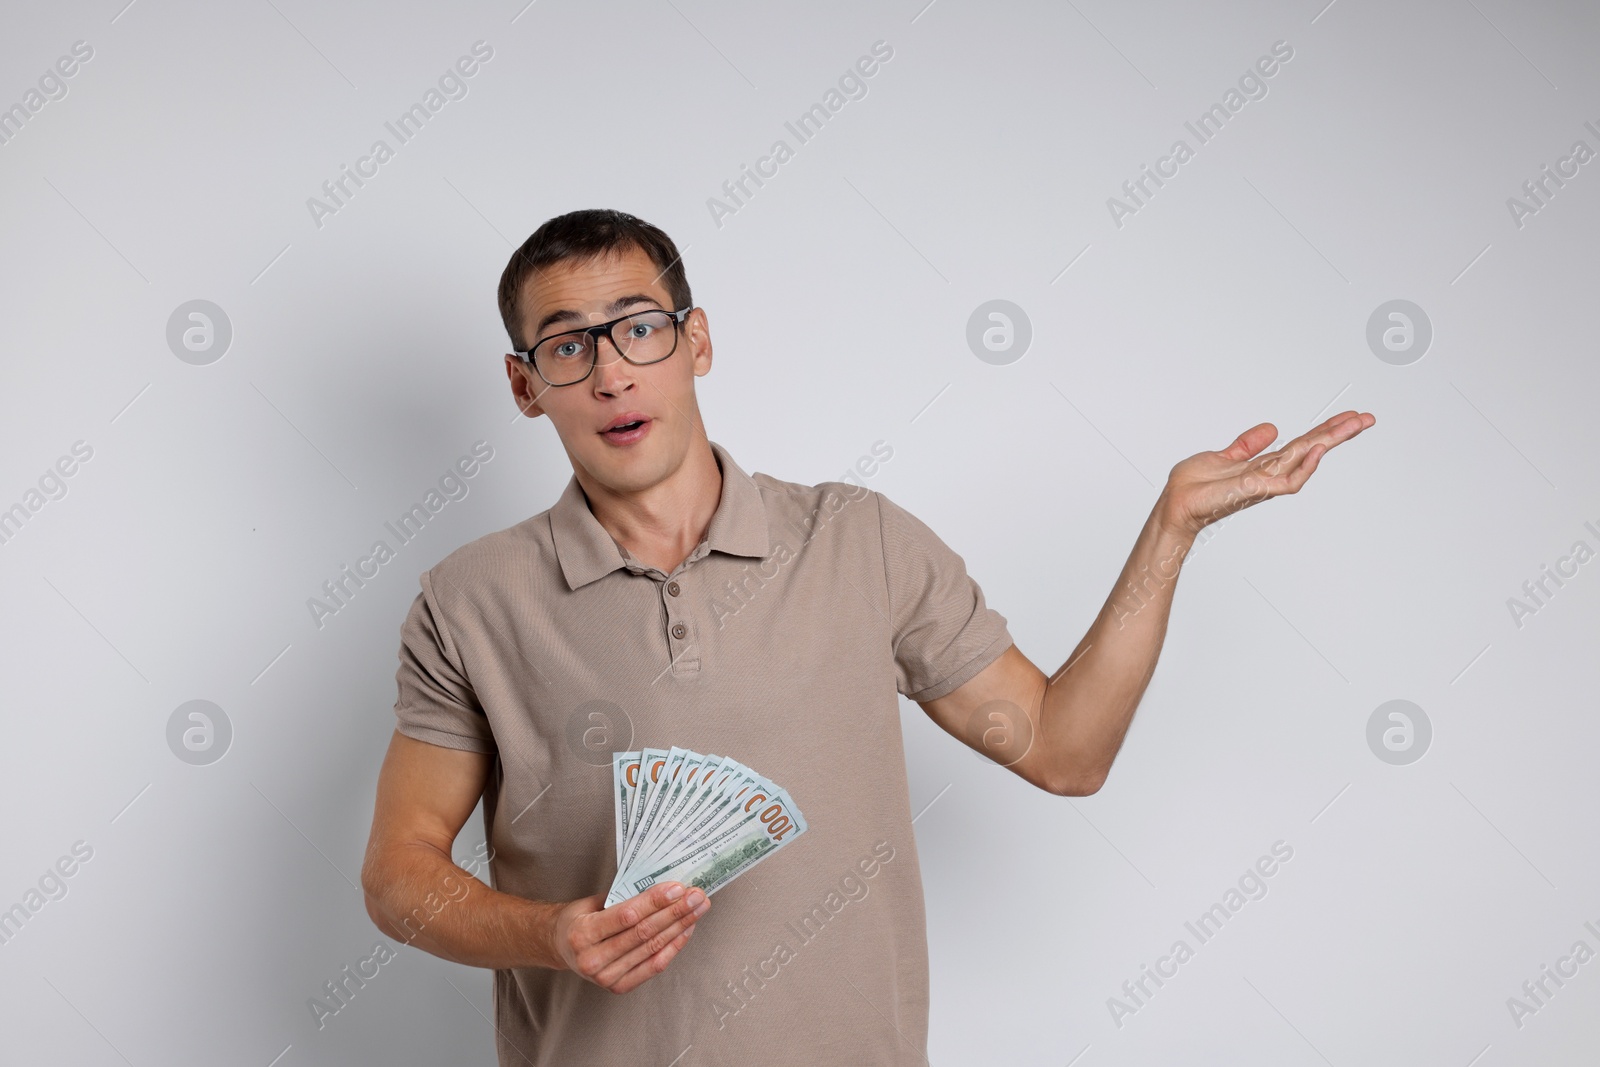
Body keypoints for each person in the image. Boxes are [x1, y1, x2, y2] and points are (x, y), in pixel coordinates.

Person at [359, 208, 1374, 1066]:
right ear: (524, 383)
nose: (612, 373)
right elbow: (398, 874)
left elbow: (1065, 751)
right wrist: (550, 933)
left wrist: (1170, 532)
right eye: (567, 344)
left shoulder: (860, 540)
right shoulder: (470, 598)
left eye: (638, 329)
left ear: (697, 340)